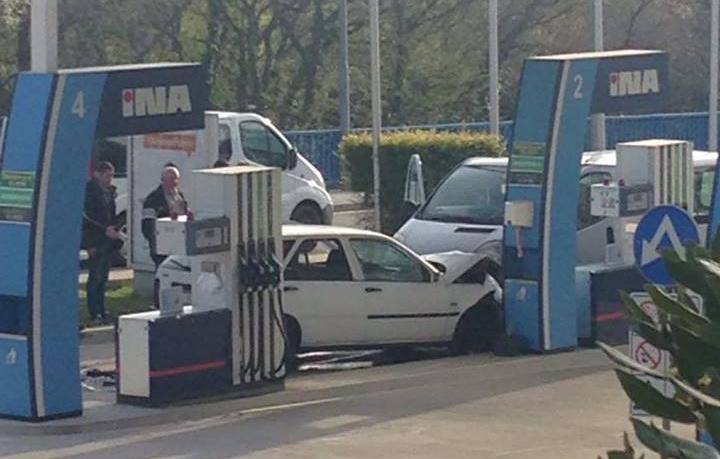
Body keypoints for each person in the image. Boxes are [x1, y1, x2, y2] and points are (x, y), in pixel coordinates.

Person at [83, 161, 122, 325]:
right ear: (97, 174)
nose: (110, 179)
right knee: (95, 277)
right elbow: (87, 219)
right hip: (95, 239)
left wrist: (115, 228)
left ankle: (102, 309)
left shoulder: (109, 192)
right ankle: (94, 313)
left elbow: (111, 216)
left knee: (104, 277)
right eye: (108, 175)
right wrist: (89, 244)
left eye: (112, 176)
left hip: (107, 240)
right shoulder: (89, 191)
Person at [142, 165, 190, 269]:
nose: (175, 182)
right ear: (163, 179)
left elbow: (184, 217)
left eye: (177, 179)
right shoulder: (153, 199)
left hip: (179, 247)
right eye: (172, 179)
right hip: (161, 249)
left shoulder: (179, 196)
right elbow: (147, 226)